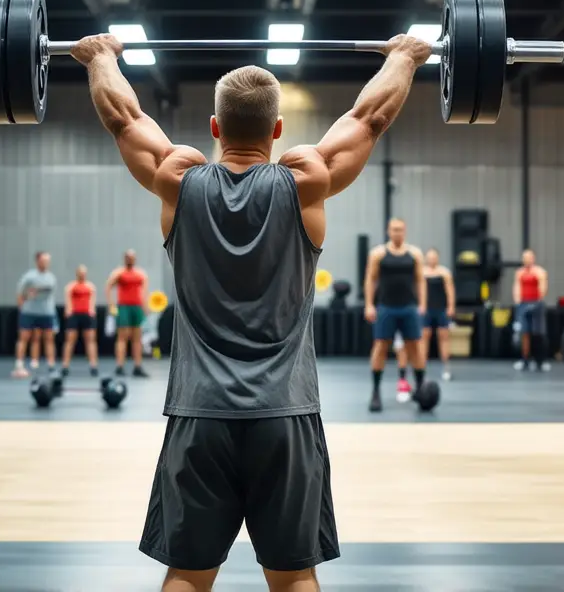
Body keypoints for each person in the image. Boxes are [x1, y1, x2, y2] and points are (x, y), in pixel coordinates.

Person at [70, 30, 433, 592]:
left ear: (215, 127)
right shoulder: (305, 182)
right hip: (285, 415)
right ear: (277, 129)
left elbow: (124, 119)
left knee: (188, 576)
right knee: (293, 578)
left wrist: (100, 58)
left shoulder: (178, 181)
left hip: (200, 414)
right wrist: (404, 58)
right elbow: (369, 120)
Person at [364, 218, 427, 411]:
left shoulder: (415, 253)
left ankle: (421, 390)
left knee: (415, 347)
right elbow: (370, 279)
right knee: (380, 346)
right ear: (388, 231)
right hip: (386, 307)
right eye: (394, 229)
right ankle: (375, 393)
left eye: (400, 229)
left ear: (404, 231)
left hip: (409, 307)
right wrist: (369, 305)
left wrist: (422, 304)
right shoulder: (378, 254)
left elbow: (420, 280)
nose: (397, 232)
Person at [106, 250, 149, 378]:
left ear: (135, 259)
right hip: (124, 307)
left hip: (137, 307)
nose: (130, 259)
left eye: (132, 257)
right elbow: (108, 287)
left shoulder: (140, 274)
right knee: (122, 337)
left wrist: (145, 307)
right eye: (128, 257)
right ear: (125, 259)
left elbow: (144, 291)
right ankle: (120, 366)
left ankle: (137, 366)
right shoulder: (119, 273)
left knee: (137, 338)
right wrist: (111, 305)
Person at [15, 251, 57, 378]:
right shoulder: (29, 277)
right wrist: (22, 308)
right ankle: (19, 364)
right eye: (44, 260)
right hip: (29, 312)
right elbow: (20, 293)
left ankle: (51, 365)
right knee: (24, 338)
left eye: (48, 261)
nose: (46, 263)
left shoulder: (51, 277)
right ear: (38, 261)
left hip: (47, 313)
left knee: (49, 339)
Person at [420, 248, 456, 381]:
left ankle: (446, 367)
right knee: (423, 338)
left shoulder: (444, 272)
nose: (432, 260)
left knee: (444, 337)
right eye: (429, 257)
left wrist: (451, 307)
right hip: (426, 309)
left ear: (438, 258)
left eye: (434, 257)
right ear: (426, 258)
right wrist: (420, 306)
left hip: (441, 309)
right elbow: (418, 290)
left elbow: (450, 290)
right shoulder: (422, 272)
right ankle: (421, 368)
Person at [512, 249, 550, 372]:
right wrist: (518, 301)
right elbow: (517, 286)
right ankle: (525, 360)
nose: (526, 260)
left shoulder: (540, 272)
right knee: (524, 333)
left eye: (528, 258)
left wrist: (538, 300)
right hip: (523, 304)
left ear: (533, 259)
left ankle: (540, 361)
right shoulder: (519, 272)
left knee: (538, 333)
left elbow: (543, 288)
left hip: (536, 304)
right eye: (524, 258)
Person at [61, 265, 99, 376]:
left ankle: (93, 365)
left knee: (90, 340)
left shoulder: (90, 286)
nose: (82, 275)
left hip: (87, 315)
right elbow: (68, 299)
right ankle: (65, 365)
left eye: (84, 273)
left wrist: (92, 312)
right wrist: (68, 311)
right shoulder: (71, 286)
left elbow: (92, 300)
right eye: (80, 273)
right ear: (77, 273)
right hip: (74, 315)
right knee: (70, 340)